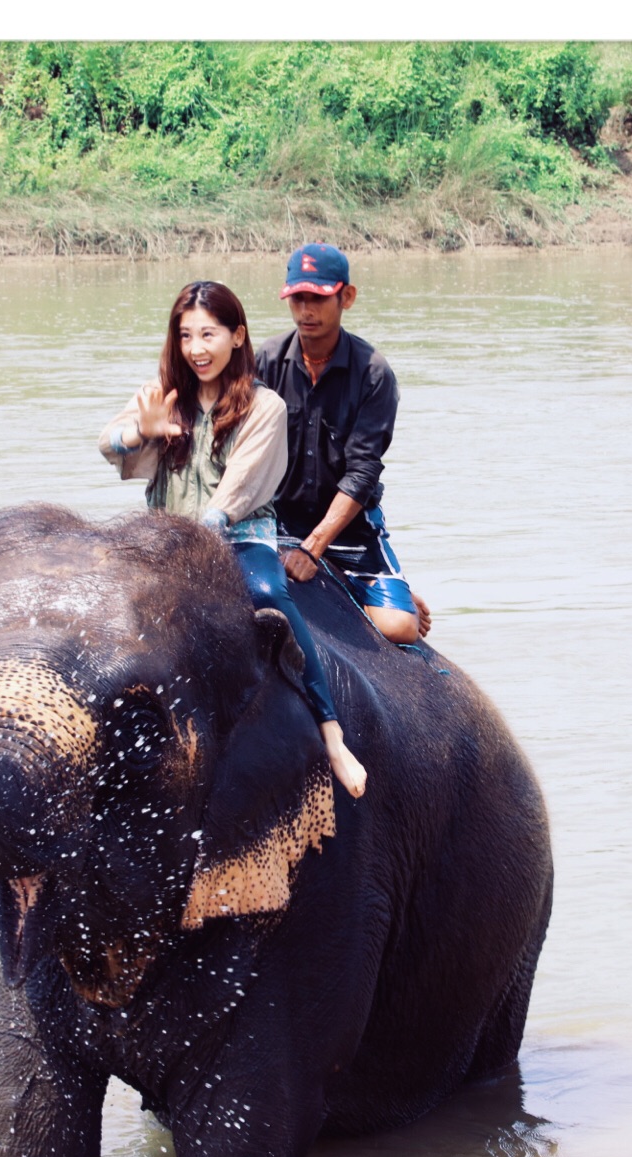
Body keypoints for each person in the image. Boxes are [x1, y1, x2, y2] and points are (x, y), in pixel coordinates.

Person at [99, 280, 366, 799]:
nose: (196, 349)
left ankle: (331, 732)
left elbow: (232, 497)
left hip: (239, 540)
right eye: (186, 336)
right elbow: (107, 443)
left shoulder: (265, 408)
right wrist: (142, 432)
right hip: (165, 539)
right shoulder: (167, 398)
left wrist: (193, 546)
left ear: (237, 336)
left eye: (208, 334)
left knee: (270, 597)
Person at [255, 243, 433, 647]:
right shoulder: (265, 361)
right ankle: (378, 590)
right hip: (276, 523)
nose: (306, 310)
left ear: (346, 298)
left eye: (317, 298)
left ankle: (390, 590)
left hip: (349, 531)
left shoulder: (373, 373)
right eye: (297, 298)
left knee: (399, 628)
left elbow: (363, 471)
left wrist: (313, 549)